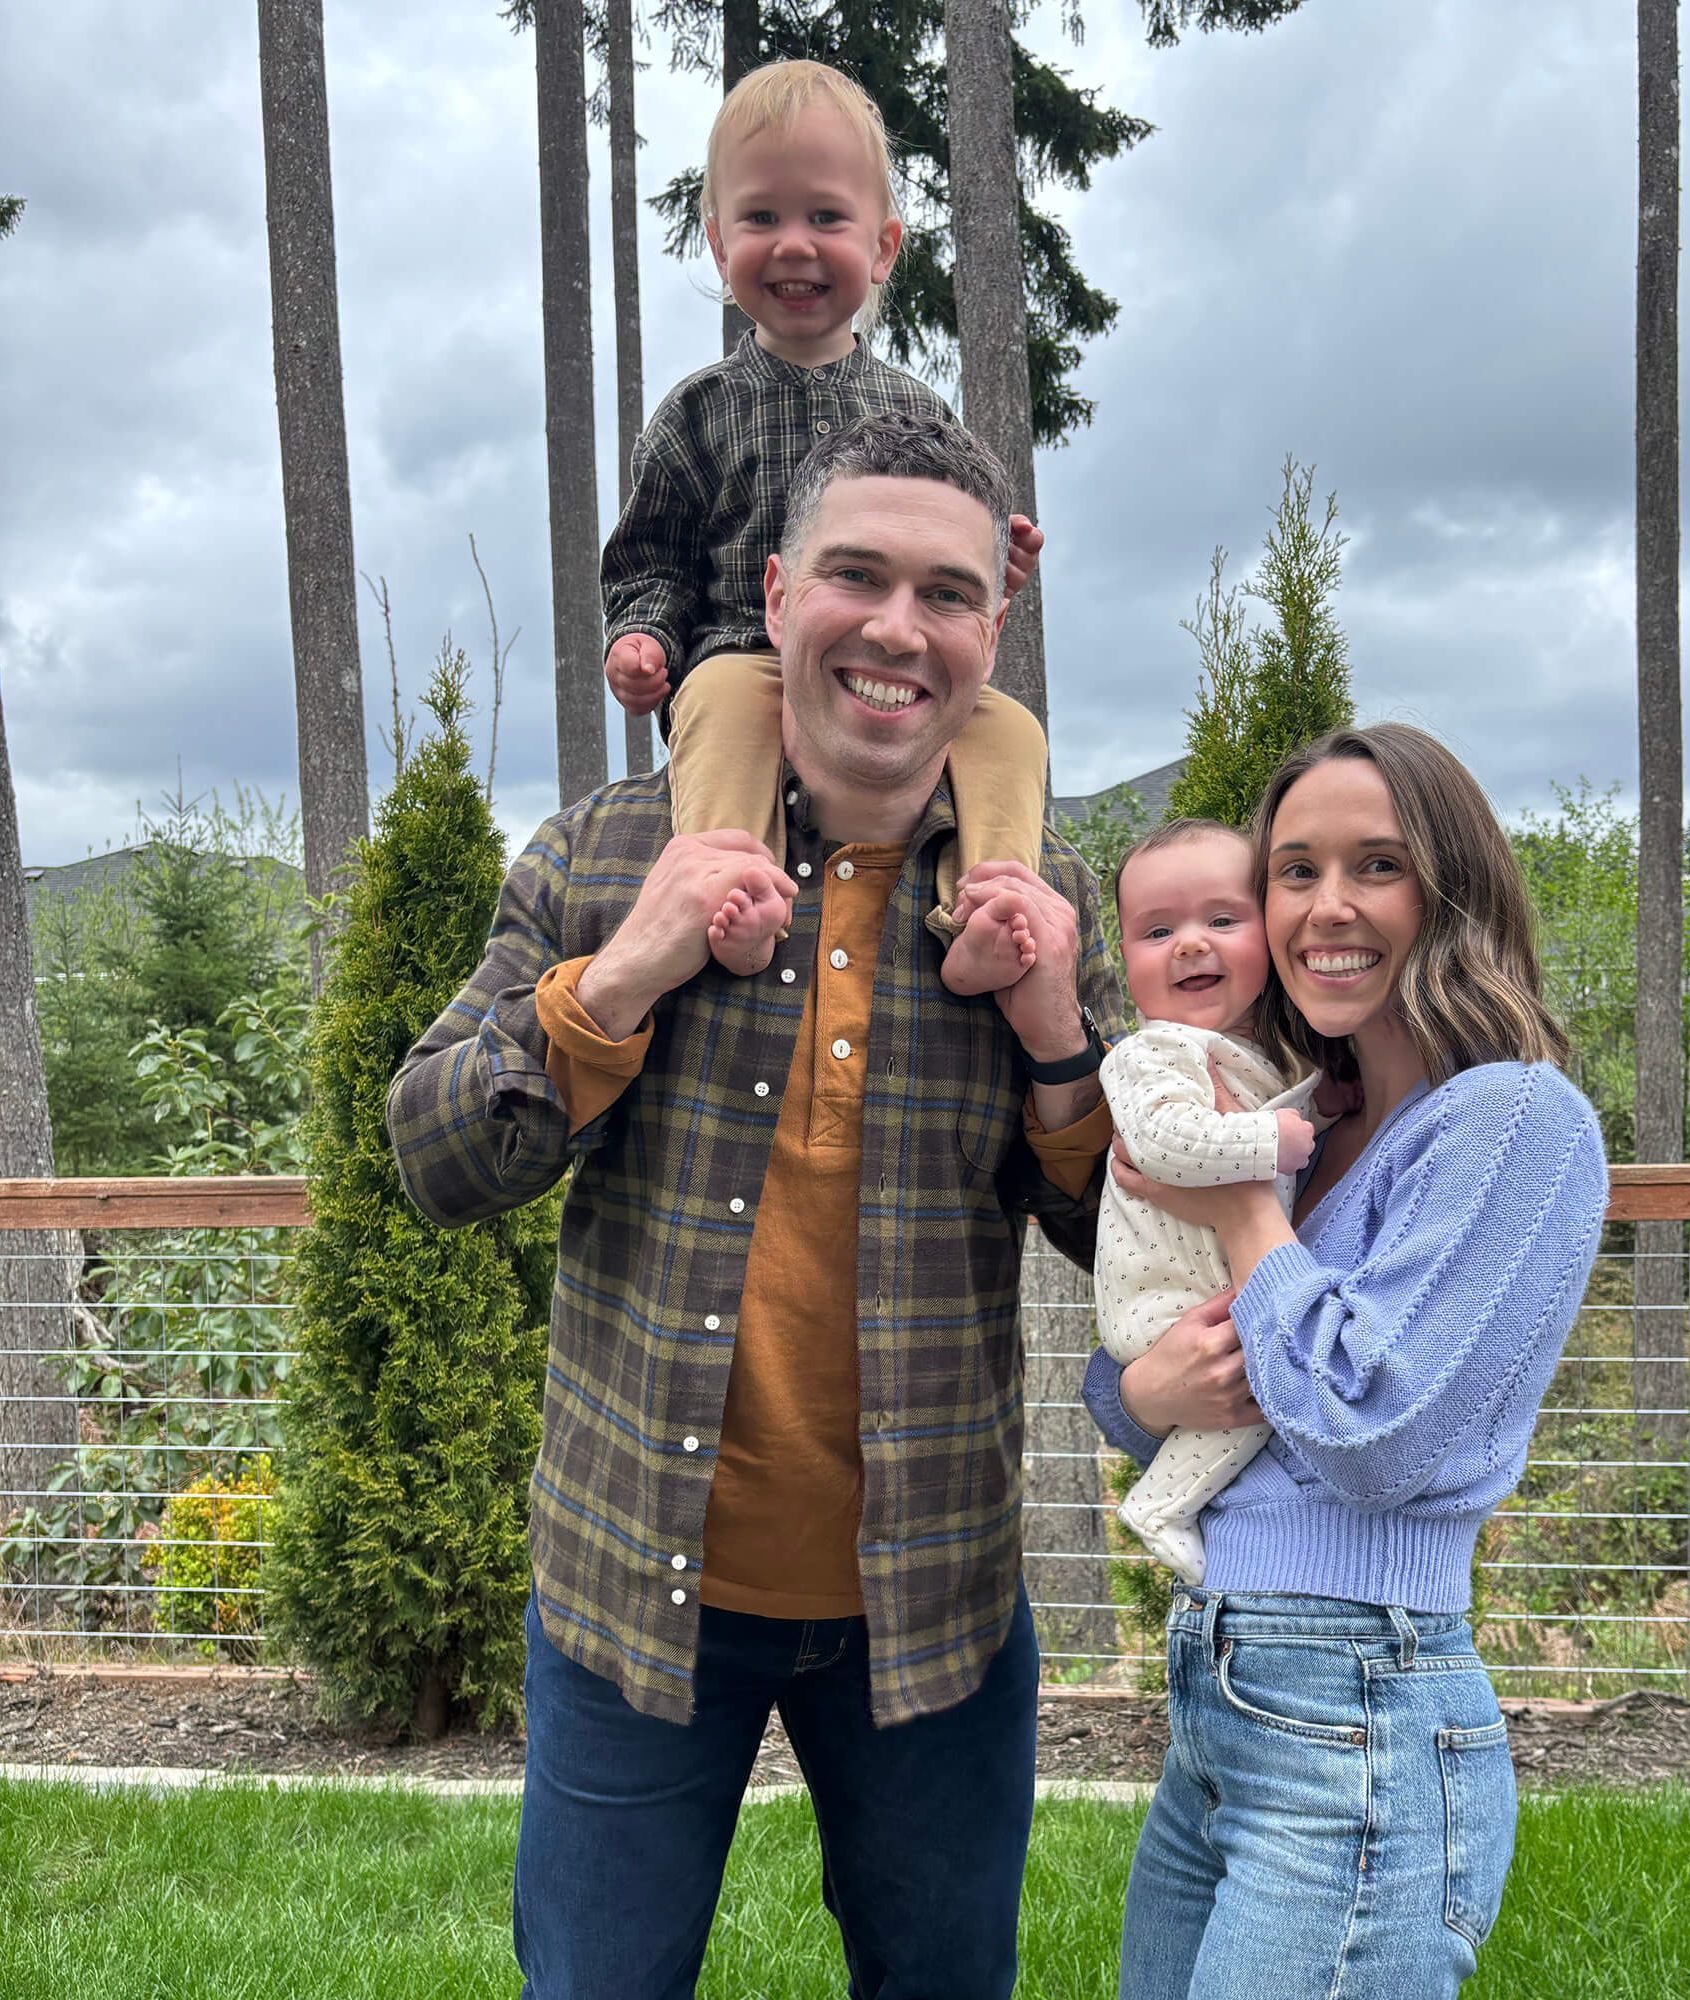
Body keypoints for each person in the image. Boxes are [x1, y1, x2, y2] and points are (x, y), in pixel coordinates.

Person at [387, 412, 1123, 2000]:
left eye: (945, 592)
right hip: (628, 1595)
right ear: (779, 594)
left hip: (930, 1611)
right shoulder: (607, 855)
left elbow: (1114, 1238)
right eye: (856, 574)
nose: (896, 627)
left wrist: (1060, 1033)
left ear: (993, 629)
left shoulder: (1024, 895)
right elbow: (435, 1159)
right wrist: (629, 970)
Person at [1084, 724, 1609, 1999]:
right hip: (1223, 1689)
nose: (1327, 906)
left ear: (1450, 888)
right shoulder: (1296, 1112)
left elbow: (1369, 1428)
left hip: (1361, 1698)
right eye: (1294, 868)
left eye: (1375, 864)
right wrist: (1136, 1392)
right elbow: (1170, 1375)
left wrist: (1241, 1205)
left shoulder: (1512, 1117)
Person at [600, 57, 1050, 997]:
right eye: (762, 218)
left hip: (878, 675)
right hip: (738, 655)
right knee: (721, 703)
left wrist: (994, 565)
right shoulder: (698, 412)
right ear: (719, 245)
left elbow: (947, 556)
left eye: (826, 218)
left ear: (883, 248)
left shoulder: (919, 414)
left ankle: (992, 906)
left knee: (1010, 731)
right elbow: (651, 553)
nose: (793, 244)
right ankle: (732, 886)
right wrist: (642, 636)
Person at [1093, 818, 1324, 1583]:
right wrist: (1271, 1141)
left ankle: (1165, 1503)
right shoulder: (1149, 1052)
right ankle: (1161, 1505)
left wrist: (1322, 1103)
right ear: (1125, 962)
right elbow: (1163, 1142)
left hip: (1202, 1292)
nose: (1191, 942)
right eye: (1157, 930)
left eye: (1222, 919)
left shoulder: (1251, 1053)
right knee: (1254, 1392)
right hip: (1165, 1305)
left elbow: (1281, 1115)